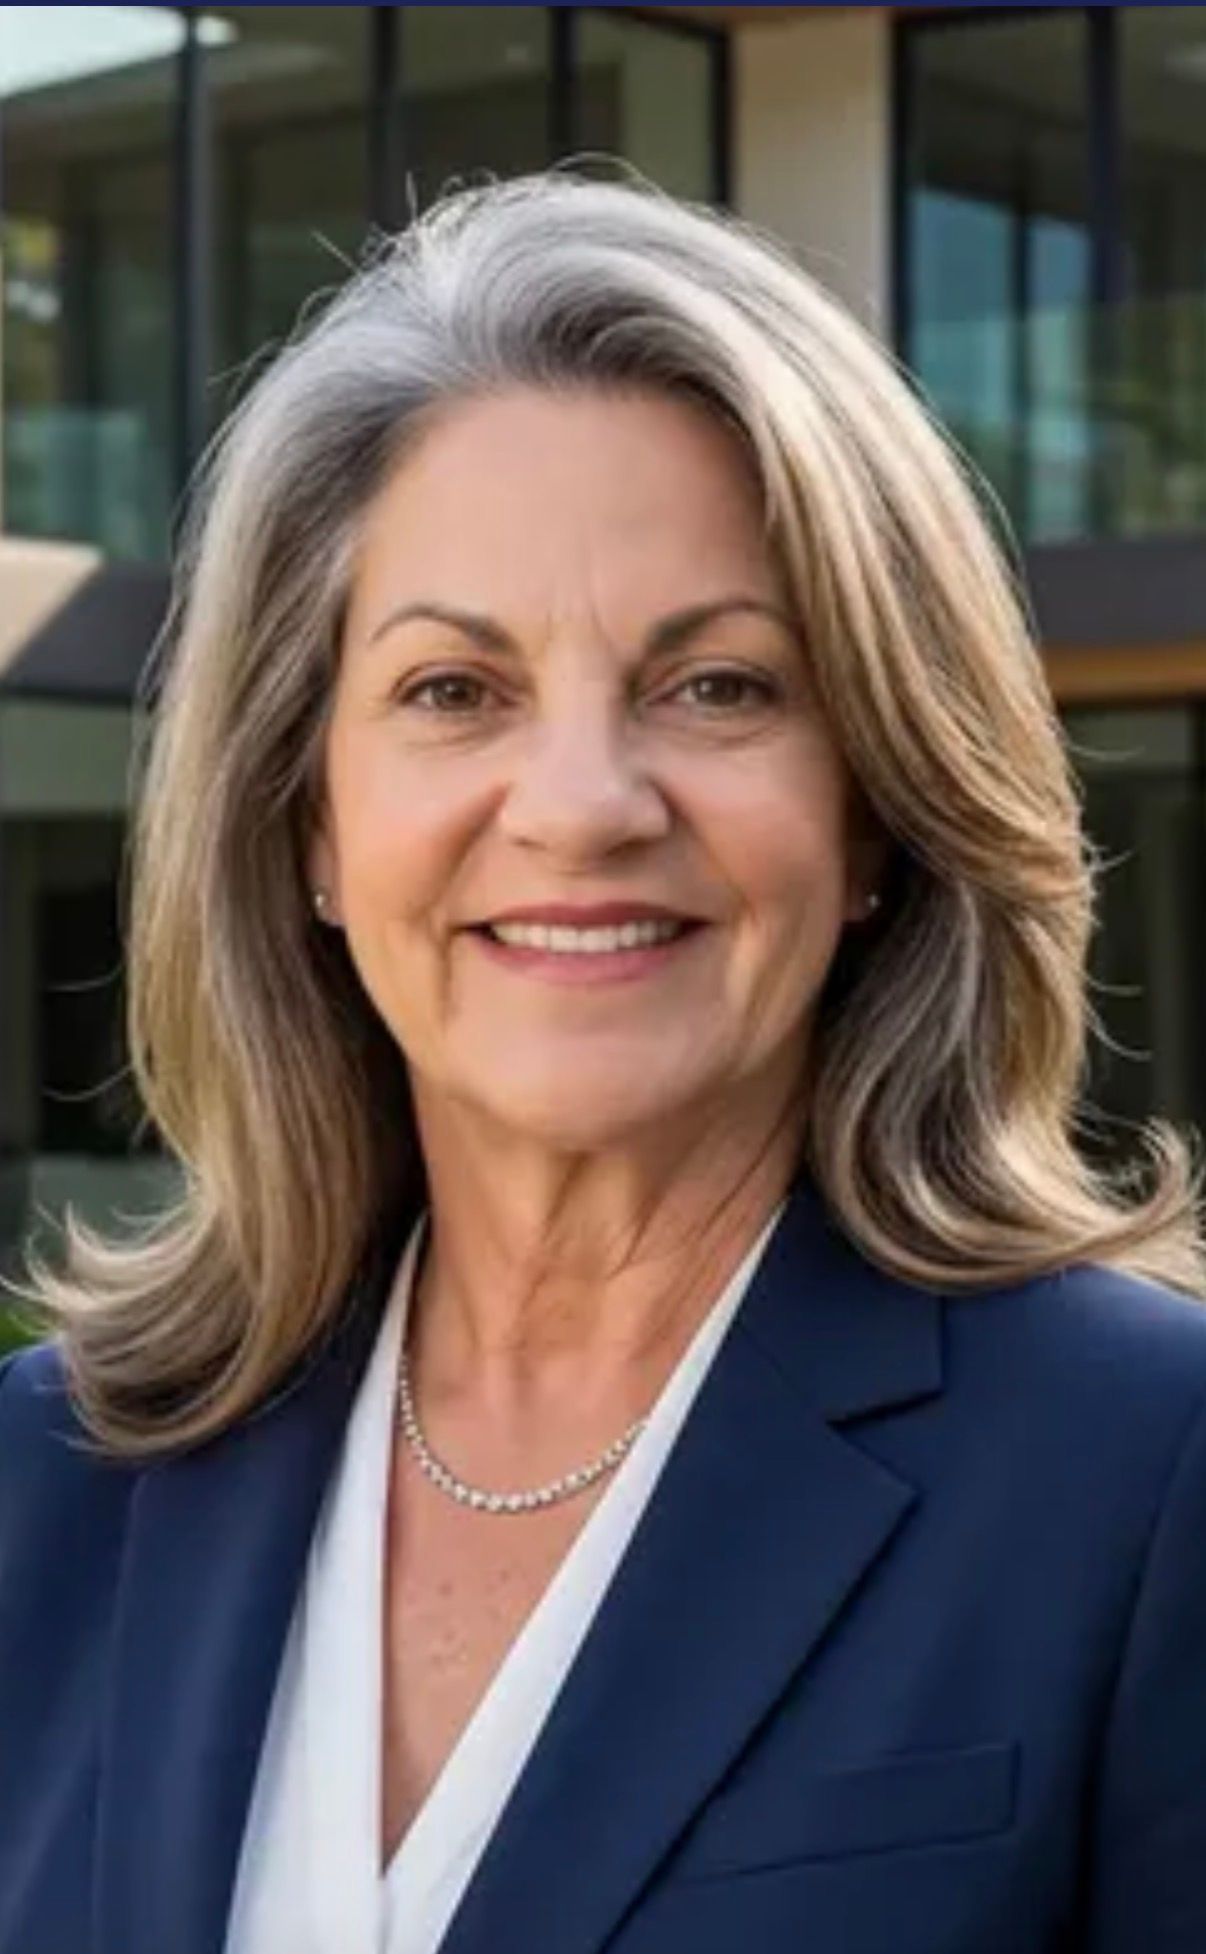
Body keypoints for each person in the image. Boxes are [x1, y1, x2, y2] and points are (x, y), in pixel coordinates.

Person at [2, 168, 1205, 1954]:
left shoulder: (1147, 1468)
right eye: (451, 691)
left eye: (717, 686)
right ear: (310, 820)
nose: (579, 805)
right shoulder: (51, 1483)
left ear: (873, 805)